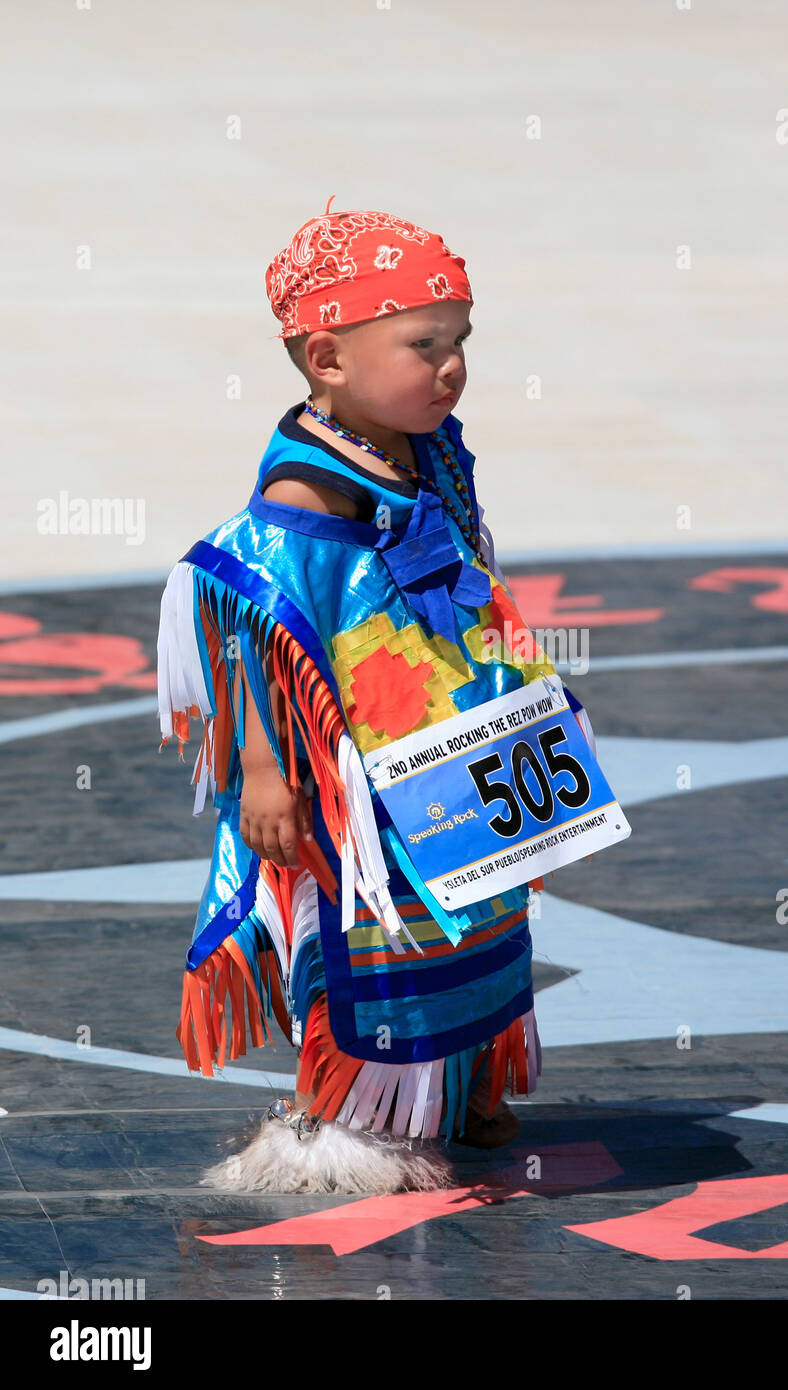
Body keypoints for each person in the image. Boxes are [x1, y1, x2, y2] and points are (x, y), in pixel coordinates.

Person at [156, 201, 616, 1195]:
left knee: (486, 907)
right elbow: (249, 630)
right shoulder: (300, 497)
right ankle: (346, 1117)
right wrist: (267, 771)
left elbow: (471, 573)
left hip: (459, 733)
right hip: (360, 765)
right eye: (422, 344)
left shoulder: (431, 449)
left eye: (459, 343)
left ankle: (465, 1090)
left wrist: (525, 684)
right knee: (381, 928)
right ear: (327, 359)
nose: (449, 367)